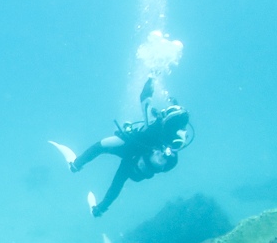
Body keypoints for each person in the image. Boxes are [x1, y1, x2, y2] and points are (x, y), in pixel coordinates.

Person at [50, 77, 193, 217]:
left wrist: (151, 78)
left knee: (100, 146)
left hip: (129, 145)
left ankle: (75, 165)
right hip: (136, 157)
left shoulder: (155, 123)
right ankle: (99, 209)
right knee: (117, 182)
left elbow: (144, 98)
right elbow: (169, 164)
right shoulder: (174, 141)